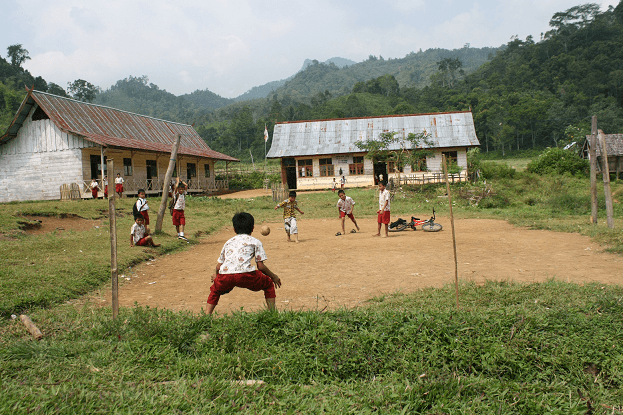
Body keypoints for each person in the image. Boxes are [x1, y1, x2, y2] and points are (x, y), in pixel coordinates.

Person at [207, 212, 281, 314]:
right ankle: (272, 314)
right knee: (268, 284)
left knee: (215, 290)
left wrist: (216, 275)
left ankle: (206, 316)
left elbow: (219, 266)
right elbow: (260, 266)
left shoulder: (228, 242)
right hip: (246, 275)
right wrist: (274, 276)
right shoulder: (255, 242)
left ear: (234, 229)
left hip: (226, 275)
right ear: (253, 228)